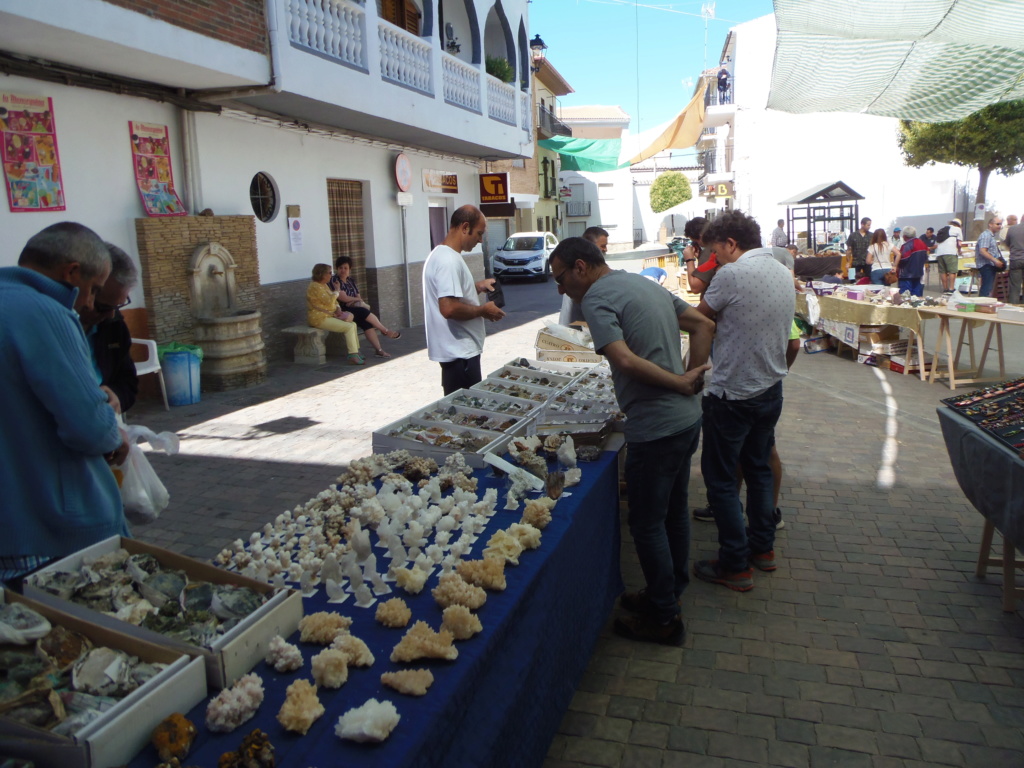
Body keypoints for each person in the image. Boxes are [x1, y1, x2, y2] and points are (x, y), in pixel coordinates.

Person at [548, 236, 714, 645]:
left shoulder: (597, 298)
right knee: (673, 511)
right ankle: (669, 591)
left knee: (646, 522)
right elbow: (703, 324)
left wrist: (680, 381)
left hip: (657, 428)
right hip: (686, 421)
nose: (560, 288)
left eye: (560, 278)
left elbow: (621, 359)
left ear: (581, 267)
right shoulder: (642, 283)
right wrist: (691, 381)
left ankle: (664, 618)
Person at [0, 222, 128, 581]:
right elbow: (88, 427)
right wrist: (112, 430)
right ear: (72, 273)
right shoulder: (47, 313)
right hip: (44, 529)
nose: (88, 304)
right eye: (93, 290)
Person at [692, 211, 795, 592]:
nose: (714, 259)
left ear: (731, 244)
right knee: (759, 469)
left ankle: (734, 564)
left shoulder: (732, 274)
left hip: (732, 394)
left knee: (720, 480)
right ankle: (762, 549)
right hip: (770, 390)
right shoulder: (782, 272)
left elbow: (698, 320)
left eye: (716, 252)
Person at [423, 205, 505, 394]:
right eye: (479, 233)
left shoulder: (440, 254)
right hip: (460, 355)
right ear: (465, 227)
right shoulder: (448, 261)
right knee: (467, 412)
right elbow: (449, 308)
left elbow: (449, 295)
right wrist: (483, 311)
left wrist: (476, 287)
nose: (480, 240)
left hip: (458, 354)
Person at [77, 243, 139, 414]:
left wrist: (117, 396)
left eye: (118, 306)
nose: (111, 315)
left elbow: (128, 381)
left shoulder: (114, 326)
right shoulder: (51, 327)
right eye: (103, 307)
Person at [328, 256, 401, 358]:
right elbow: (343, 298)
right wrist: (355, 299)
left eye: (345, 268)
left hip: (353, 308)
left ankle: (379, 350)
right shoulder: (334, 280)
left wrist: (354, 299)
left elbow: (358, 296)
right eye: (340, 268)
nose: (343, 270)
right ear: (337, 269)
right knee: (362, 311)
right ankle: (384, 330)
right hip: (341, 310)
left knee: (366, 323)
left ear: (350, 269)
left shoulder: (350, 281)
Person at [307, 263, 364, 365]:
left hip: (329, 315)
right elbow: (329, 301)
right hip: (319, 318)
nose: (331, 275)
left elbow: (335, 301)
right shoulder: (315, 286)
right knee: (348, 327)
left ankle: (356, 351)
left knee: (353, 324)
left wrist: (338, 308)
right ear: (322, 274)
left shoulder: (324, 285)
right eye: (329, 273)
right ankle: (353, 355)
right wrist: (337, 291)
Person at [558, 226, 608, 325]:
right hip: (576, 332)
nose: (606, 249)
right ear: (591, 246)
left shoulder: (591, 267)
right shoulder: (580, 270)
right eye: (603, 246)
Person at [894, 226, 929, 297]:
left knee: (905, 298)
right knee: (916, 298)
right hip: (919, 274)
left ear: (904, 236)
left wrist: (896, 260)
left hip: (906, 275)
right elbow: (926, 257)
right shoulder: (922, 244)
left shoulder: (907, 245)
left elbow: (903, 259)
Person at [974, 216, 1005, 298]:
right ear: (990, 224)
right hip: (986, 265)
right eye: (997, 224)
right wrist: (995, 260)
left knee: (988, 287)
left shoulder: (991, 236)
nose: (999, 226)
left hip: (989, 264)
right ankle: (982, 305)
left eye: (1001, 224)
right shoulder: (986, 235)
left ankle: (983, 304)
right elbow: (982, 251)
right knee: (986, 288)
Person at [933, 218, 963, 294]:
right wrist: (959, 251)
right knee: (952, 271)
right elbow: (959, 244)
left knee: (943, 271)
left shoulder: (942, 229)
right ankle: (951, 288)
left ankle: (945, 288)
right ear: (959, 225)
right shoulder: (957, 229)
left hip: (939, 253)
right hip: (950, 252)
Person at [1005, 214, 1024, 304]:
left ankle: (1013, 308)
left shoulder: (1012, 229)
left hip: (1015, 259)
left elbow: (1007, 243)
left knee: (1015, 287)